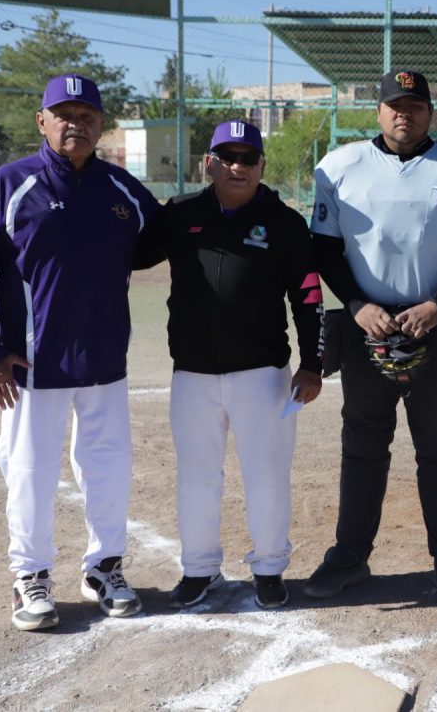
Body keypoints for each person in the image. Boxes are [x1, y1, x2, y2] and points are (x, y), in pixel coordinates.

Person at [0, 74, 159, 631]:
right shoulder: (7, 186)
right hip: (30, 367)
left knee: (108, 467)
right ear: (42, 121)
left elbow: (168, 240)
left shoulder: (123, 190)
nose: (75, 125)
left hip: (105, 362)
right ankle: (31, 575)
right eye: (63, 115)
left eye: (87, 116)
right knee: (29, 471)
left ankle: (104, 567)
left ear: (101, 124)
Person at [307, 69, 437, 606]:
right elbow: (324, 249)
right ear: (378, 111)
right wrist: (356, 305)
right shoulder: (339, 166)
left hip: (433, 324)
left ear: (430, 113)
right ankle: (349, 556)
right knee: (363, 445)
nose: (403, 114)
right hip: (365, 326)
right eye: (394, 105)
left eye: (414, 106)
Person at [135, 119, 324, 611]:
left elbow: (308, 296)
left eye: (247, 158)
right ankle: (199, 569)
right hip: (192, 374)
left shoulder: (285, 223)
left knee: (267, 477)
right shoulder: (180, 214)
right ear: (209, 163)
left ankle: (269, 568)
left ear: (262, 165)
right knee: (196, 477)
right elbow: (131, 254)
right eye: (227, 157)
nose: (237, 166)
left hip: (262, 374)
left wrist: (313, 363)